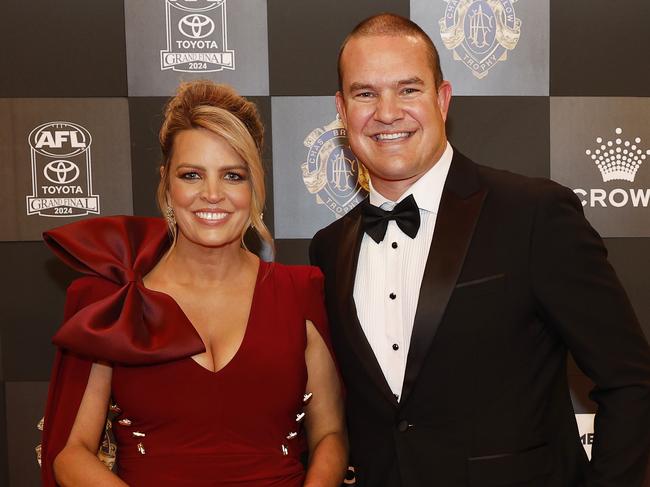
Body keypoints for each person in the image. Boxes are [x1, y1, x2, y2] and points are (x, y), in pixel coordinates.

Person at [309, 13, 650, 487]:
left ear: (442, 99)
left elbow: (631, 382)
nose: (387, 112)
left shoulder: (533, 214)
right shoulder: (329, 248)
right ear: (342, 111)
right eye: (365, 93)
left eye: (408, 89)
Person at [40, 80, 347, 486]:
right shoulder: (117, 300)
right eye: (192, 175)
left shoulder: (299, 290)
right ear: (167, 183)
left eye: (233, 175)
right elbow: (71, 452)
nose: (213, 194)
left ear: (254, 184)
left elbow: (330, 433)